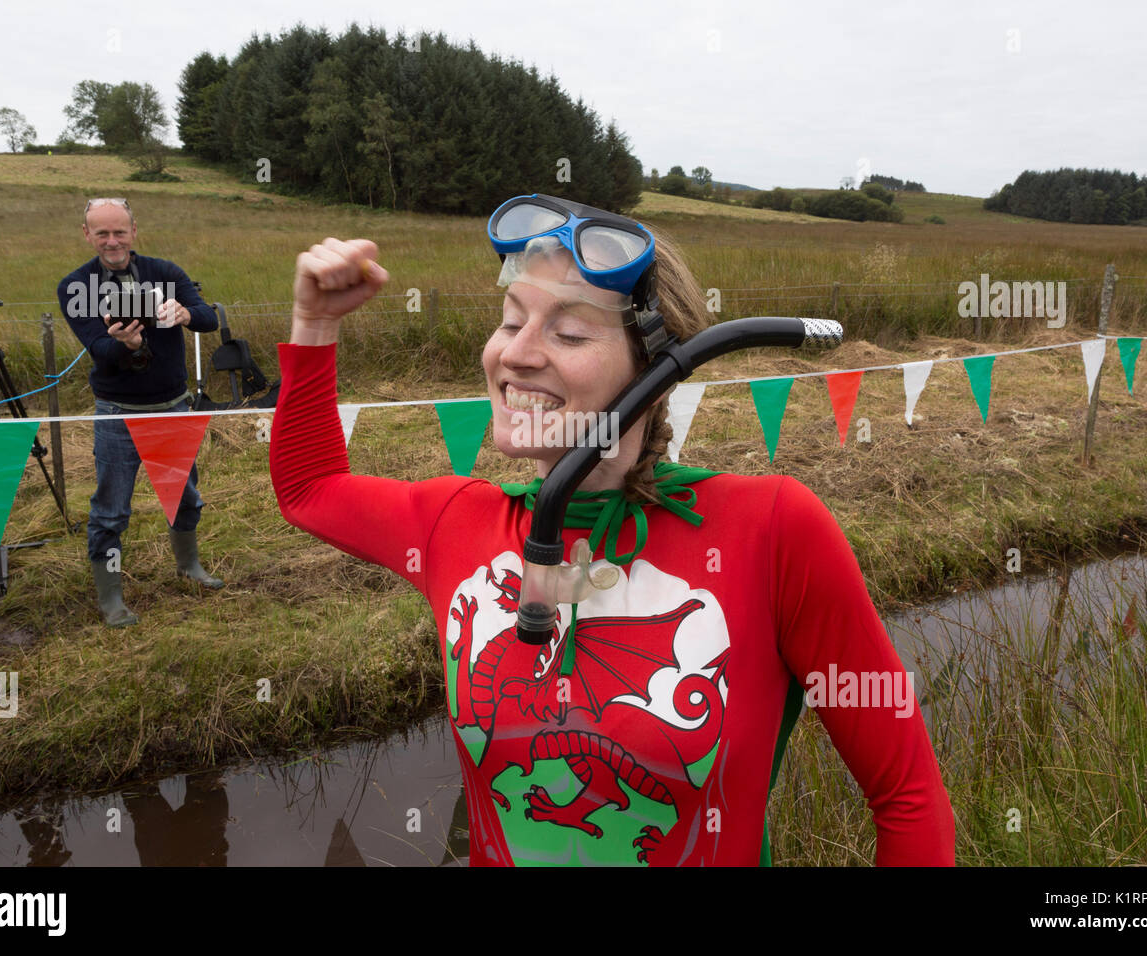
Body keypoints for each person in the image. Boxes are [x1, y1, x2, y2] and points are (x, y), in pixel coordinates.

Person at [269, 195, 955, 866]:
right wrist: (314, 323)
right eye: (511, 323)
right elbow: (310, 489)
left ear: (656, 374)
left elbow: (908, 796)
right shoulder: (457, 525)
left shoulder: (772, 530)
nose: (517, 355)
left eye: (568, 333)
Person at [58, 198, 223, 628]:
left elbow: (210, 319)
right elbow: (98, 348)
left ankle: (190, 566)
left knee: (186, 496)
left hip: (173, 406)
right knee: (111, 510)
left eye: (119, 231)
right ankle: (111, 599)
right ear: (87, 234)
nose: (112, 241)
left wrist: (185, 313)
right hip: (117, 411)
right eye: (102, 233)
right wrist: (125, 344)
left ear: (134, 231)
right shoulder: (75, 286)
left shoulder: (165, 273)